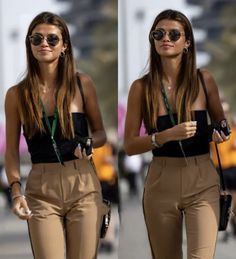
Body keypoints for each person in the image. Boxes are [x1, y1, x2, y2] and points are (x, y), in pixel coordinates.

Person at [124, 9, 230, 259]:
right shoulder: (141, 88)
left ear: (188, 41)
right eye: (158, 33)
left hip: (202, 178)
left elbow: (222, 124)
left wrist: (220, 132)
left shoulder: (204, 80)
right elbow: (129, 145)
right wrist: (165, 136)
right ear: (152, 39)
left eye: (174, 33)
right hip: (161, 180)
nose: (165, 38)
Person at [5, 11, 108, 259]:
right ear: (29, 45)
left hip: (82, 183)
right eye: (36, 39)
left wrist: (90, 143)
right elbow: (10, 150)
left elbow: (101, 133)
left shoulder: (82, 84)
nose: (44, 44)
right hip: (41, 189)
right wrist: (16, 192)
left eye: (52, 39)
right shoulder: (16, 95)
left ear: (64, 46)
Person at [211, 101, 236, 240]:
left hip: (234, 167)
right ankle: (224, 228)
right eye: (222, 111)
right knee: (224, 200)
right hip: (220, 168)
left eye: (226, 111)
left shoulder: (235, 128)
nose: (224, 114)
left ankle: (233, 222)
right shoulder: (214, 131)